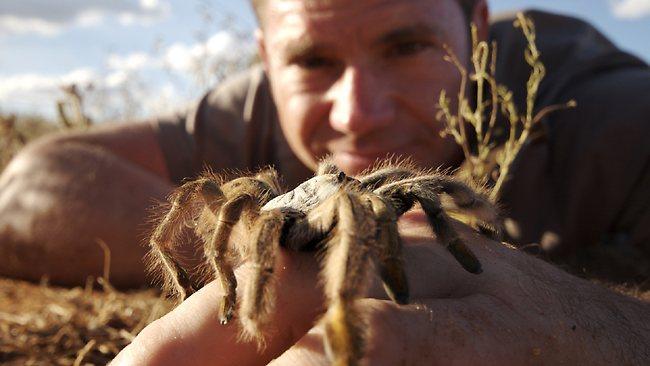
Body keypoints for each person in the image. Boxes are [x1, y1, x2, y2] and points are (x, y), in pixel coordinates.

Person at [1, 0, 648, 363]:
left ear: (476, 31)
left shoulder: (610, 112)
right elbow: (26, 190)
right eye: (312, 60)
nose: (357, 114)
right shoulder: (254, 108)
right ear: (268, 58)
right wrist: (243, 259)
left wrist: (607, 322)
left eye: (406, 47)